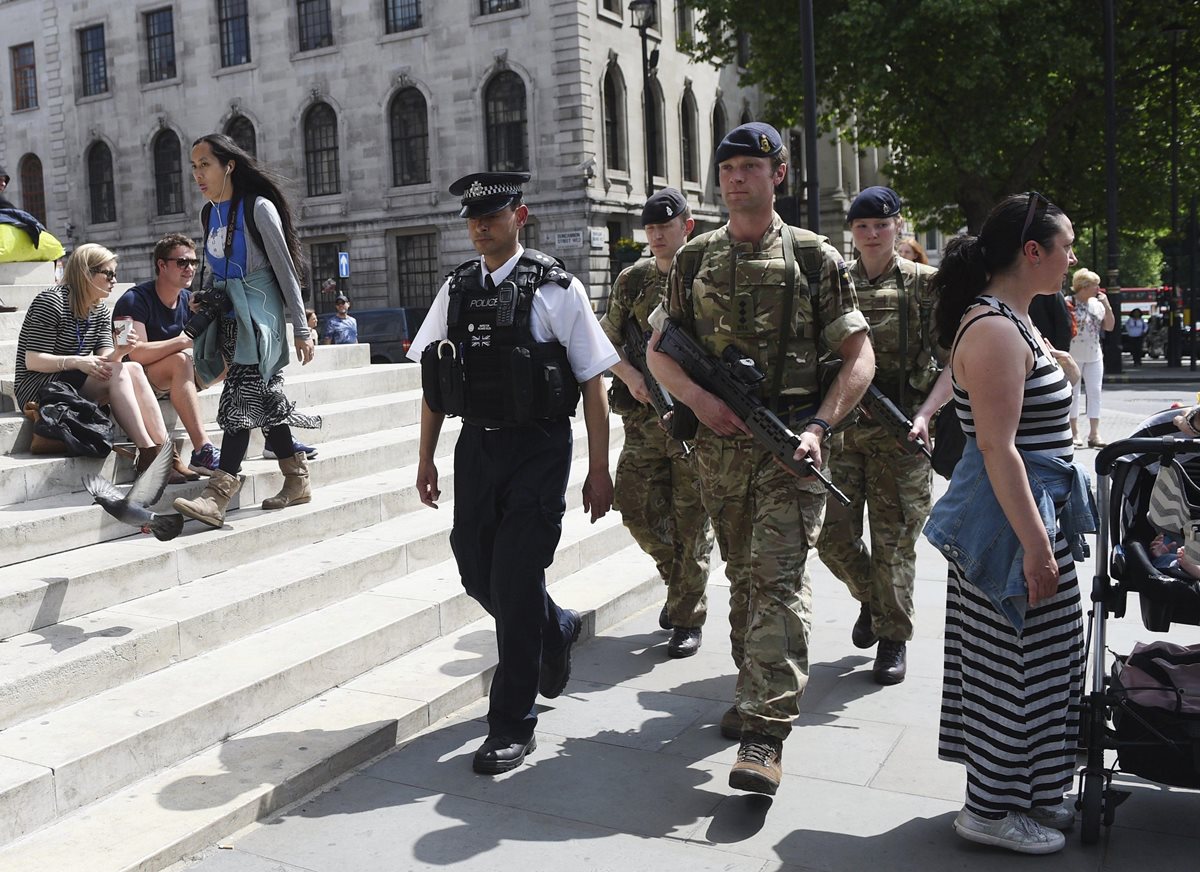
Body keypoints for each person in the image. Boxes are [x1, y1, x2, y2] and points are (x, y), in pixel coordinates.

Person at [645, 122, 874, 796]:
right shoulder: (693, 260)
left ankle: (765, 733)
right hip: (717, 455)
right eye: (728, 168)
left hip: (788, 453)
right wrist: (696, 399)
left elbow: (860, 357)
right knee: (744, 580)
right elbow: (659, 349)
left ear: (779, 175)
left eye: (751, 166)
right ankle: (754, 692)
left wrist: (819, 426)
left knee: (776, 581)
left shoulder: (813, 257)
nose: (737, 178)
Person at [408, 171, 618, 775]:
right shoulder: (455, 290)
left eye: (493, 215)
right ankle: (556, 628)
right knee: (478, 573)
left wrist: (598, 470)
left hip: (539, 450)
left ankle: (511, 724)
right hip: (476, 449)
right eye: (473, 217)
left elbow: (593, 383)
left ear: (518, 217)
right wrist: (424, 457)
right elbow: (434, 381)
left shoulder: (557, 288)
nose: (481, 226)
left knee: (517, 579)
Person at [926, 192, 1086, 855]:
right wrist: (1036, 548)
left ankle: (1037, 790)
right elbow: (997, 447)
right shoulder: (992, 328)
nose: (1073, 256)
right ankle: (989, 811)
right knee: (1008, 669)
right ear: (1031, 252)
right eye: (1065, 246)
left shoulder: (1014, 320)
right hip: (1009, 528)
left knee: (1046, 664)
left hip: (1027, 518)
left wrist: (1061, 367)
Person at [817, 186, 945, 686]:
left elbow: (954, 358)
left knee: (895, 545)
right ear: (852, 231)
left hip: (901, 434)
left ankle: (893, 638)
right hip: (845, 436)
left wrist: (928, 415)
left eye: (881, 225)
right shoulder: (835, 283)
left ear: (897, 227)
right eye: (862, 226)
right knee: (832, 538)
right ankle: (874, 602)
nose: (871, 234)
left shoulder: (924, 285)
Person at [173, 134, 319, 529]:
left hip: (260, 317)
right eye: (194, 166)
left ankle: (217, 496)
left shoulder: (259, 207)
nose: (198, 174)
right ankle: (297, 478)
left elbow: (286, 270)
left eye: (205, 164)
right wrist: (202, 296)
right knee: (264, 396)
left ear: (229, 165)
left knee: (239, 396)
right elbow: (218, 267)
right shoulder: (209, 213)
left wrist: (301, 327)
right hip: (229, 318)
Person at [599, 187, 714, 659]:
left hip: (694, 421)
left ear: (687, 226)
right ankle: (679, 584)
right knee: (636, 509)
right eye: (650, 228)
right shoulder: (633, 280)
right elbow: (603, 340)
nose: (657, 236)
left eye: (665, 227)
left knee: (692, 519)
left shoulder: (708, 275)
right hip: (644, 420)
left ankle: (688, 613)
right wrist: (630, 375)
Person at [14, 243, 189, 482]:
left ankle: (164, 451)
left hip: (76, 381)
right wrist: (78, 361)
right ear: (86, 273)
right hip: (41, 385)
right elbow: (32, 360)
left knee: (133, 367)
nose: (114, 280)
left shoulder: (100, 310)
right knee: (121, 372)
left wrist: (120, 351)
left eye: (115, 274)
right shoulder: (51, 302)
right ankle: (149, 454)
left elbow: (110, 361)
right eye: (108, 274)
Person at [113, 233, 220, 476]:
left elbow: (199, 345)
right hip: (141, 381)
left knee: (236, 358)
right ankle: (203, 448)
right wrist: (182, 341)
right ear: (162, 265)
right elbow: (136, 353)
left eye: (193, 262)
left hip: (180, 375)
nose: (190, 268)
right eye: (182, 262)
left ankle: (268, 430)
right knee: (181, 359)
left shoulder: (187, 299)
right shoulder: (133, 300)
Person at [1066, 267, 1115, 447]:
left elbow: (1109, 327)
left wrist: (1108, 306)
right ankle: (1074, 432)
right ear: (1084, 286)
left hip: (1094, 354)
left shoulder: (1097, 304)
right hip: (1073, 355)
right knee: (1073, 394)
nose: (1098, 289)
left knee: (1095, 392)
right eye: (1095, 285)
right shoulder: (1067, 302)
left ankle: (1094, 434)